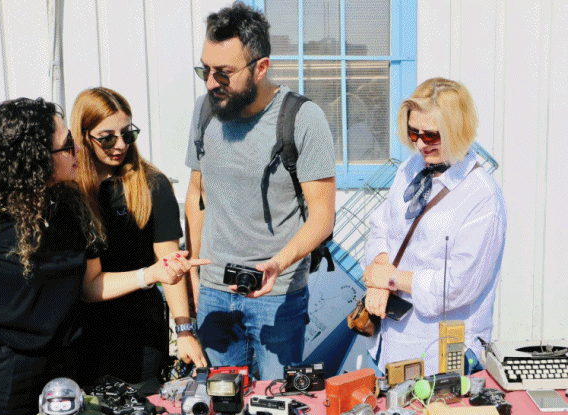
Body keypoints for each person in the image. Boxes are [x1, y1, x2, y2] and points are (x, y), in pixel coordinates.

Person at [0, 97, 207, 415]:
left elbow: (91, 286)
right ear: (35, 157)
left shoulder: (70, 205)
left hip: (63, 372)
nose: (77, 149)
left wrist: (152, 274)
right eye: (67, 145)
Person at [184, 1, 336, 380]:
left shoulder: (302, 119)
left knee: (275, 404)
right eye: (205, 70)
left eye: (224, 73)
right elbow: (196, 195)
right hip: (213, 294)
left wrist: (277, 264)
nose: (211, 83)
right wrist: (195, 279)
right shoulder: (204, 111)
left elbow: (322, 217)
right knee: (222, 405)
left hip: (277, 296)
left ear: (261, 67)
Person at [361, 77, 507, 376]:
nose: (419, 143)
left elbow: (459, 286)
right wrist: (380, 269)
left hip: (441, 354)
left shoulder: (482, 197)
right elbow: (381, 227)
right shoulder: (410, 168)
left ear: (457, 131)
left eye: (431, 135)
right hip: (391, 340)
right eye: (413, 132)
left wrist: (390, 279)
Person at [70, 87, 207, 387]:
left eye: (127, 134)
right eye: (107, 137)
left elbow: (169, 265)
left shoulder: (152, 185)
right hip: (81, 332)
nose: (120, 144)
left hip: (139, 330)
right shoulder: (70, 190)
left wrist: (184, 331)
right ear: (83, 136)